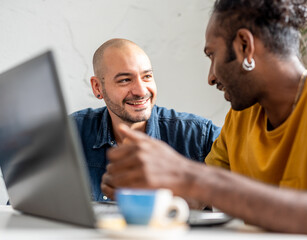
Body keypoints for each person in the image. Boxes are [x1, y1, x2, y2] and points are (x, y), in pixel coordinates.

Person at [100, 0, 307, 239]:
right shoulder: (241, 117)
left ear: (244, 46)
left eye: (212, 55)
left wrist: (192, 176)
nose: (211, 77)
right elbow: (199, 197)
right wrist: (140, 188)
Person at [70, 38, 221, 202]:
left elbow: (240, 195)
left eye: (147, 76)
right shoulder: (71, 133)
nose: (141, 91)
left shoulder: (200, 135)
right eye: (125, 80)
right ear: (97, 87)